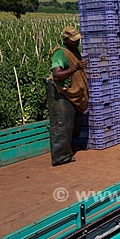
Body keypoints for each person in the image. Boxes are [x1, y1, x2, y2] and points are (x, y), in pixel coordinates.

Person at [46, 26, 89, 166]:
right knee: (61, 124)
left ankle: (69, 148)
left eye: (78, 40)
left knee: (73, 121)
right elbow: (57, 75)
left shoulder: (74, 50)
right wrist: (75, 68)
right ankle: (60, 157)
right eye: (74, 40)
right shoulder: (60, 53)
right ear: (66, 40)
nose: (77, 42)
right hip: (61, 92)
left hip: (71, 91)